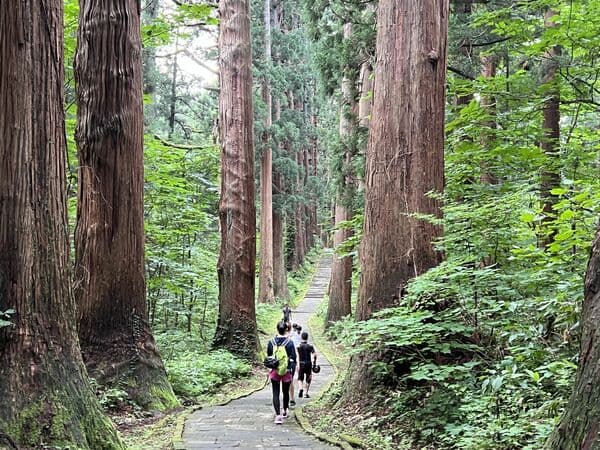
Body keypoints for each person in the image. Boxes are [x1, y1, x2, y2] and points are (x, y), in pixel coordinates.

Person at [267, 321, 296, 424]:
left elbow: (269, 357)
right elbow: (293, 358)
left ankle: (278, 416)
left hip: (274, 370)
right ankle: (285, 410)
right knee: (285, 391)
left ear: (277, 329)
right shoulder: (289, 343)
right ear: (286, 330)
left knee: (275, 392)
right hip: (286, 370)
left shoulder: (271, 342)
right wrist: (292, 370)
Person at [297, 331, 317, 399]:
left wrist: (297, 364)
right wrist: (314, 363)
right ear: (307, 338)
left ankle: (300, 388)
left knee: (300, 378)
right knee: (308, 378)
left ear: (301, 337)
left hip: (301, 363)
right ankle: (306, 393)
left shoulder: (299, 346)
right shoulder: (310, 346)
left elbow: (297, 356)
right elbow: (314, 355)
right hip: (308, 363)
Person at [289, 324, 303, 406]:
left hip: (288, 361)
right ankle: (291, 398)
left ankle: (290, 399)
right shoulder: (298, 335)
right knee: (290, 380)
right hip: (297, 350)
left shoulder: (291, 337)